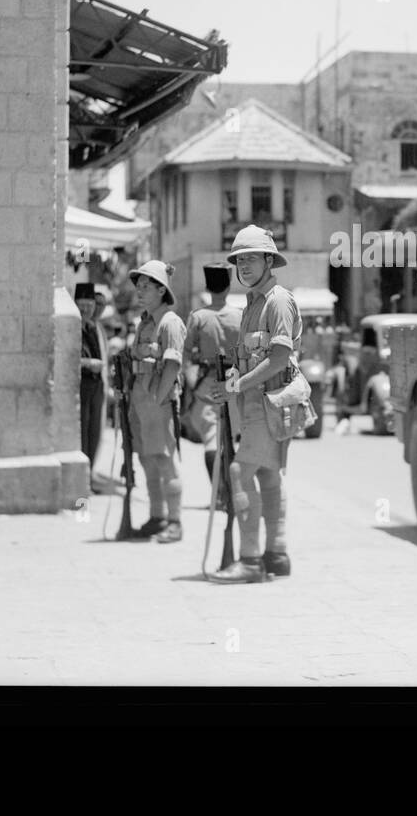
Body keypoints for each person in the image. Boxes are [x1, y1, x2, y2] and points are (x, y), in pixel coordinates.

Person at [207, 226, 301, 583]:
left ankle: (249, 561)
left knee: (239, 473)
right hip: (253, 402)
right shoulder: (252, 305)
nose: (243, 266)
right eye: (238, 260)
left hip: (270, 402)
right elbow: (244, 360)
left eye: (250, 258)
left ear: (268, 260)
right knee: (267, 474)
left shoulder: (277, 300)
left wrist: (238, 386)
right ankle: (276, 555)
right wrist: (227, 386)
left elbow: (279, 357)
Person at [126, 260, 187, 543]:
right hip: (139, 400)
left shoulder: (170, 322)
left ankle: (174, 521)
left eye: (146, 286)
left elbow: (173, 365)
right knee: (147, 459)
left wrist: (159, 399)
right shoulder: (145, 322)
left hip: (158, 402)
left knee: (164, 461)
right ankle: (157, 515)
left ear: (162, 290)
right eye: (139, 286)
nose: (140, 291)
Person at [183, 263, 242, 488]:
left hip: (207, 383)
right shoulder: (239, 315)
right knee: (229, 438)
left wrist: (189, 381)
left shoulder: (198, 317)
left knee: (211, 439)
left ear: (207, 288)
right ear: (228, 287)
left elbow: (185, 354)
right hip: (235, 381)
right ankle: (230, 491)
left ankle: (219, 491)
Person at [75, 283, 107, 474]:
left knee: (95, 432)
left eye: (89, 305)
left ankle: (89, 474)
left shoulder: (94, 328)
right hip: (82, 385)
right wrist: (88, 364)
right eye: (82, 305)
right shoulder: (72, 326)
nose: (86, 309)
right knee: (83, 433)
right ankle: (82, 477)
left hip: (97, 386)